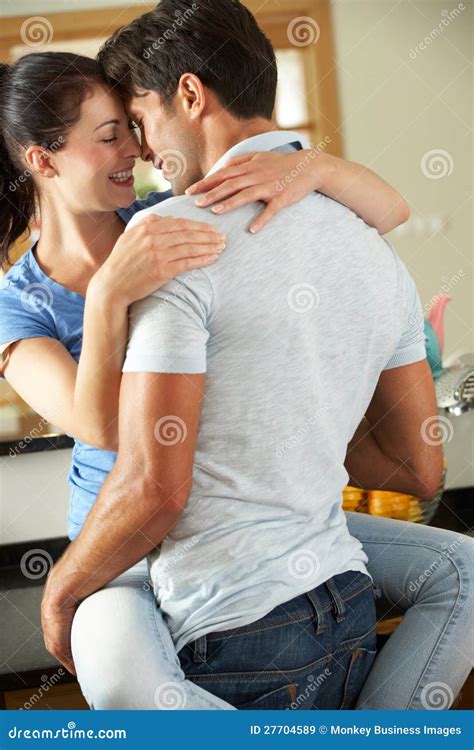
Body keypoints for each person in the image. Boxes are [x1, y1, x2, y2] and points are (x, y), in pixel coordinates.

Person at [0, 39, 470, 711]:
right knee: (132, 691)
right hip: (122, 551)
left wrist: (302, 169)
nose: (134, 150)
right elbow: (103, 426)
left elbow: (390, 211)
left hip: (239, 518)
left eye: (132, 130)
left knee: (463, 570)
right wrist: (108, 296)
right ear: (44, 160)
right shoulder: (18, 304)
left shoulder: (162, 217)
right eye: (110, 137)